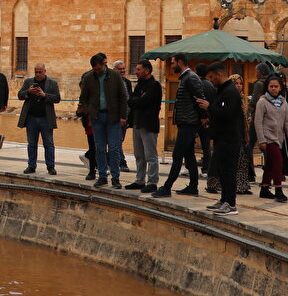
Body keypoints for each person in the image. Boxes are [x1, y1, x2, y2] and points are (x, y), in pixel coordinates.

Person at [154, 54, 207, 198]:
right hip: (185, 122)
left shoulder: (191, 78)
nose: (172, 66)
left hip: (189, 123)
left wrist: (203, 117)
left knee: (177, 155)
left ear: (180, 62)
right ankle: (193, 186)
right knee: (189, 156)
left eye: (173, 63)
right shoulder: (186, 78)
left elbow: (200, 99)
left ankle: (167, 187)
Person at [197, 61, 243, 215]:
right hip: (221, 137)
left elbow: (227, 113)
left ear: (218, 74)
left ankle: (231, 204)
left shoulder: (230, 91)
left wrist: (209, 107)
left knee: (229, 171)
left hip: (230, 139)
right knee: (222, 171)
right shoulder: (222, 90)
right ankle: (224, 200)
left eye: (211, 77)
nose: (210, 80)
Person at [77, 53, 129, 188]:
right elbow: (83, 97)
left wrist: (123, 116)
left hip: (113, 117)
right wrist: (89, 111)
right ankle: (102, 176)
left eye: (99, 69)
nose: (97, 71)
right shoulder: (89, 78)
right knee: (99, 148)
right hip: (96, 117)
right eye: (95, 69)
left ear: (104, 65)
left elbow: (123, 96)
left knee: (114, 148)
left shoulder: (115, 76)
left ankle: (115, 178)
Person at [253, 74, 288, 202]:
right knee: (278, 162)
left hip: (279, 138)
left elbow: (287, 121)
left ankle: (264, 188)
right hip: (268, 138)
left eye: (276, 86)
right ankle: (278, 189)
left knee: (270, 164)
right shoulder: (262, 102)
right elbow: (258, 122)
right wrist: (261, 140)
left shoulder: (283, 102)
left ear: (280, 87)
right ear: (267, 87)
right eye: (271, 86)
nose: (273, 88)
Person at [125, 60, 162, 191]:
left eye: (138, 69)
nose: (136, 72)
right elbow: (131, 101)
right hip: (137, 123)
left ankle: (152, 182)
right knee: (139, 154)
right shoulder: (139, 85)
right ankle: (139, 180)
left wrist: (137, 100)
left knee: (150, 155)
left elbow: (144, 101)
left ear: (147, 70)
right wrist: (138, 100)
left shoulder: (154, 85)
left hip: (148, 124)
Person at [18, 62, 60, 175]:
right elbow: (20, 95)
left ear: (45, 71)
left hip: (46, 118)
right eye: (36, 72)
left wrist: (44, 95)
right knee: (31, 143)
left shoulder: (52, 83)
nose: (38, 74)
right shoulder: (28, 82)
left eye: (40, 72)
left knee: (49, 144)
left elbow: (57, 98)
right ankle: (31, 166)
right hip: (31, 118)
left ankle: (50, 166)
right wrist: (28, 91)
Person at [195, 63, 216, 174]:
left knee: (189, 144)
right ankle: (206, 168)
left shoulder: (197, 84)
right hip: (209, 118)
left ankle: (190, 167)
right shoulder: (211, 85)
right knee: (206, 145)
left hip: (196, 118)